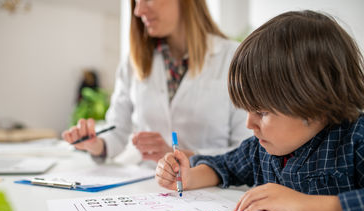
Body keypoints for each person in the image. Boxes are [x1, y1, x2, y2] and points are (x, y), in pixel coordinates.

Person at [155, 10, 364, 211]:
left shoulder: (356, 139)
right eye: (247, 110)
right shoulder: (260, 149)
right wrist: (189, 177)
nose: (249, 124)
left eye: (262, 113)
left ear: (317, 104)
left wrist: (302, 204)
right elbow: (224, 167)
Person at [62, 0, 251, 164]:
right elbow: (118, 131)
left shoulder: (233, 58)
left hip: (212, 189)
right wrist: (96, 144)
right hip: (146, 185)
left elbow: (247, 151)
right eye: (136, 1)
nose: (138, 10)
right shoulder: (134, 61)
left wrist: (182, 156)